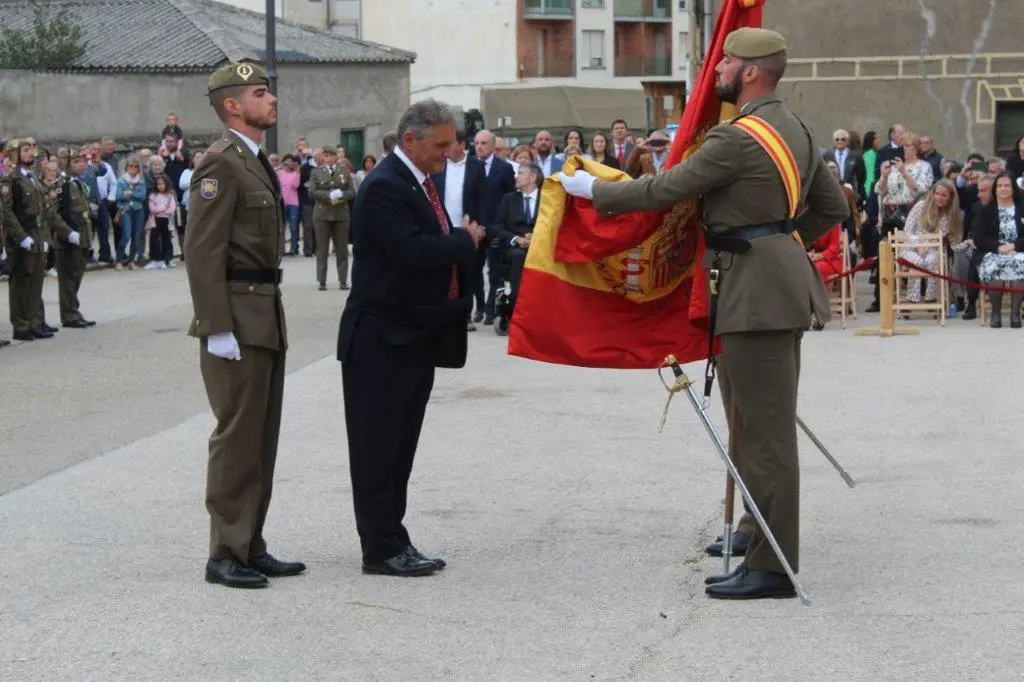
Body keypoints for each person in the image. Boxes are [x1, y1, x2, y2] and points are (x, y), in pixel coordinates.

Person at [560, 28, 849, 599]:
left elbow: (665, 188)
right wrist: (776, 243)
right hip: (767, 288)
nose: (715, 70)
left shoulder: (738, 138)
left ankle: (773, 567)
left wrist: (593, 190)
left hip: (754, 295)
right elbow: (831, 208)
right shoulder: (797, 128)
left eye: (726, 62)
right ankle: (754, 527)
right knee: (749, 422)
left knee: (764, 435)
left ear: (749, 73)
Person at [337, 98, 485, 577]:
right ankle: (380, 547)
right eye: (441, 145)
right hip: (381, 340)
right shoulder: (385, 186)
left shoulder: (418, 181)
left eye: (452, 143)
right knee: (378, 449)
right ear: (410, 141)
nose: (450, 153)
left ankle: (394, 538)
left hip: (410, 337)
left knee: (400, 448)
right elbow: (412, 251)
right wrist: (465, 240)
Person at [183, 62, 304, 589]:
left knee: (262, 436)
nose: (270, 99)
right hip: (236, 314)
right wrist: (215, 325)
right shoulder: (220, 164)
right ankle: (224, 553)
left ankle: (251, 542)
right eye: (260, 92)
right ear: (233, 105)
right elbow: (202, 251)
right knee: (236, 437)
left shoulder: (254, 159)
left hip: (264, 310)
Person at [1, 138, 54, 342]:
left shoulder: (31, 177)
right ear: (14, 154)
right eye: (25, 150)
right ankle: (21, 325)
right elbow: (6, 211)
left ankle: (33, 322)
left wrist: (45, 236)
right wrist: (21, 237)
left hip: (37, 232)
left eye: (31, 149)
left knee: (35, 282)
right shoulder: (10, 179)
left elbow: (41, 209)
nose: (31, 153)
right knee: (21, 283)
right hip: (22, 234)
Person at [55, 147, 96, 328]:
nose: (81, 164)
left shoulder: (76, 182)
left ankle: (73, 310)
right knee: (68, 278)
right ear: (66, 163)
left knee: (76, 276)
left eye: (82, 161)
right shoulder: (61, 183)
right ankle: (69, 314)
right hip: (68, 239)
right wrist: (69, 234)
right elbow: (61, 212)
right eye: (76, 161)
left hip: (82, 236)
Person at [309, 145, 356, 290]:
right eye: (326, 155)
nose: (329, 158)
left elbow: (352, 191)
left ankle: (343, 280)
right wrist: (328, 196)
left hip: (340, 214)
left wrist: (340, 195)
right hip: (322, 215)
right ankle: (322, 281)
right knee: (322, 250)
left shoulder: (344, 171)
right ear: (322, 157)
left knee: (341, 250)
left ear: (336, 157)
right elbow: (312, 191)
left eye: (331, 155)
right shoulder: (316, 172)